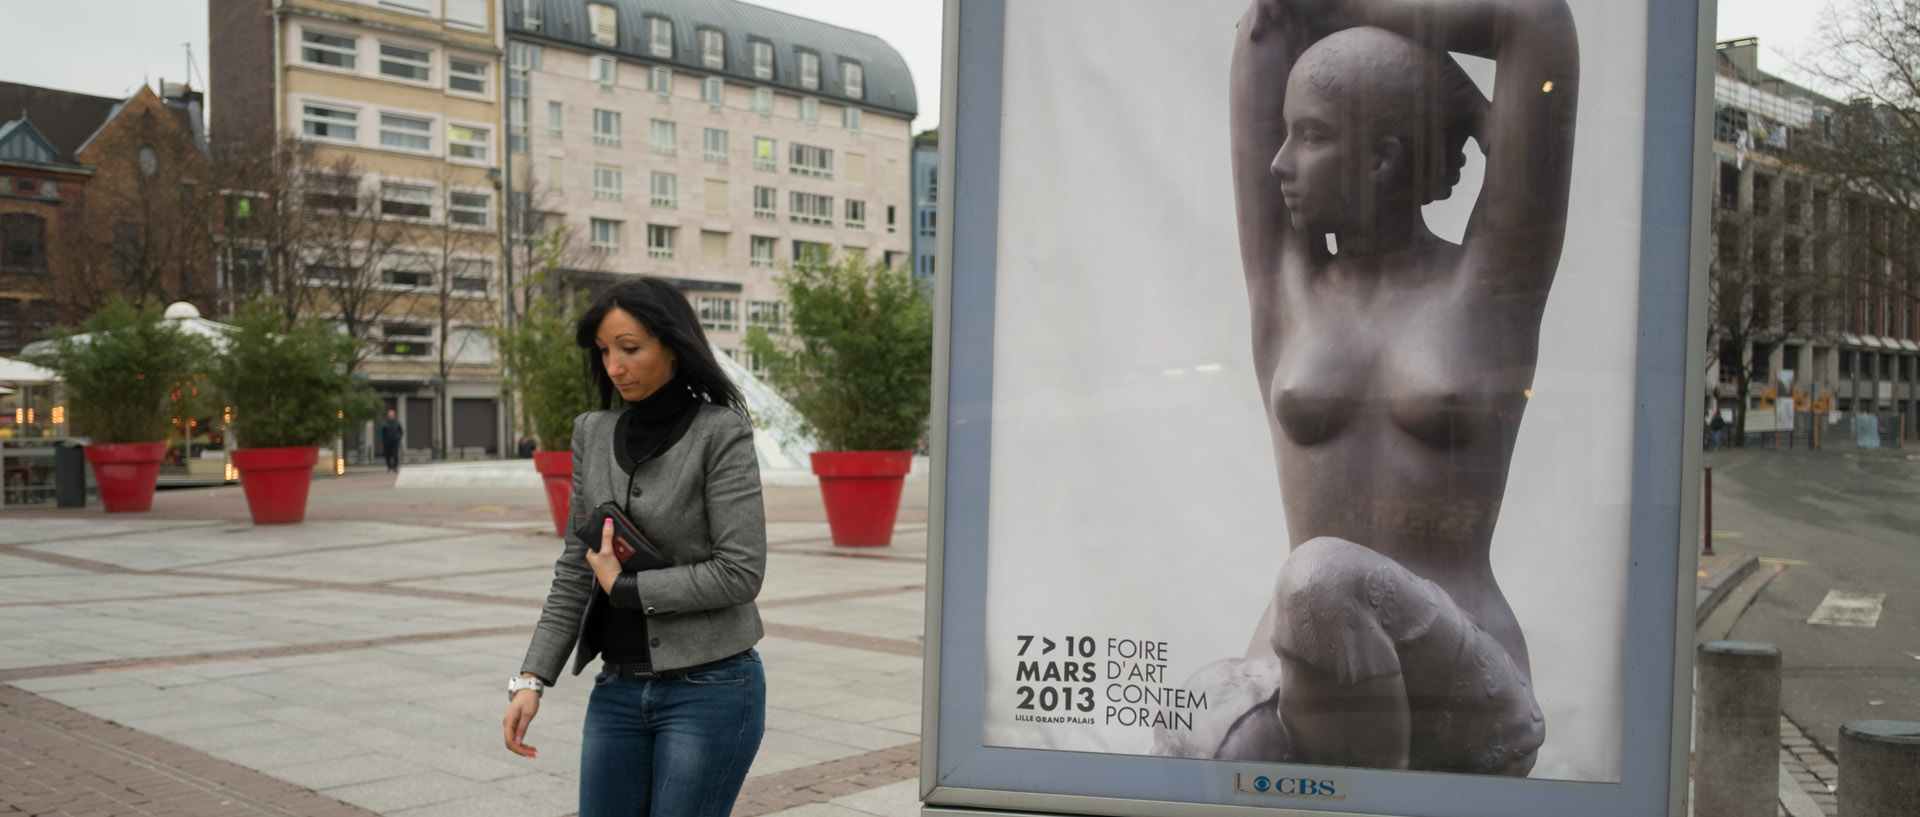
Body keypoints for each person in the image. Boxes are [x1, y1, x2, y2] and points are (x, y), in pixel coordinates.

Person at [1158, 0, 1580, 774]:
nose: (1279, 163)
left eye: (1312, 136)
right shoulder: (1288, 296)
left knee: (1319, 579)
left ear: (1384, 158)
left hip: (1462, 679)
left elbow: (1531, 18)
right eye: (1285, 133)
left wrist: (1346, 13)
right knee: (1220, 722)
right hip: (1302, 670)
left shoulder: (1487, 292)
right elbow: (1268, 23)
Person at [502, 276, 767, 817]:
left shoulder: (721, 432)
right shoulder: (592, 432)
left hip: (711, 687)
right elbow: (578, 568)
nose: (613, 367)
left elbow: (740, 572)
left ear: (672, 344)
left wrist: (626, 589)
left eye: (629, 349)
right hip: (617, 690)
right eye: (604, 352)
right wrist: (530, 679)